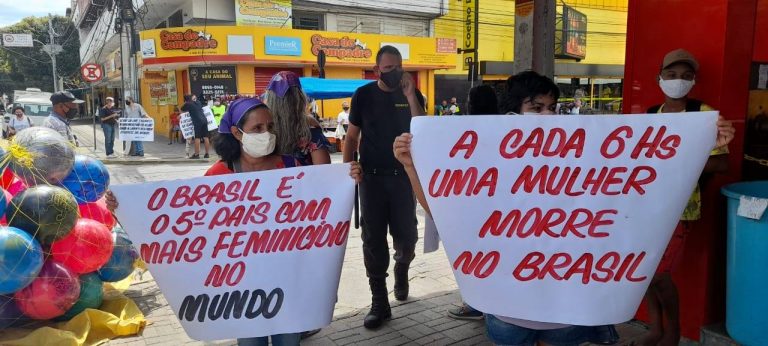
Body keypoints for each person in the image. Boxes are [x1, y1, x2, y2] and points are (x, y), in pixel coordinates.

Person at [106, 98, 362, 346]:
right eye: (257, 128)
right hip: (241, 287)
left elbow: (321, 208)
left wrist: (346, 176)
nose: (267, 133)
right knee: (251, 340)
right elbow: (190, 222)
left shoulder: (291, 167)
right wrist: (126, 208)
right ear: (237, 133)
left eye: (270, 127)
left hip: (286, 279)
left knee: (288, 338)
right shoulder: (219, 175)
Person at [396, 71, 619, 346]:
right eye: (536, 108)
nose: (547, 115)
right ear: (512, 116)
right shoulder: (486, 167)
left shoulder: (581, 161)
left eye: (552, 108)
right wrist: (410, 167)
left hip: (565, 313)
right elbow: (442, 213)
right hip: (509, 313)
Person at [639, 49, 736, 346]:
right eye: (671, 75)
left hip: (681, 208)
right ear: (660, 79)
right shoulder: (650, 115)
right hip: (644, 207)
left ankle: (674, 330)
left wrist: (682, 160)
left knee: (659, 275)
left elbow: (722, 163)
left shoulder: (704, 114)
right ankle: (655, 328)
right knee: (642, 273)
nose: (677, 81)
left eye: (685, 76)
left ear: (693, 81)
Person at [342, 45, 425, 329]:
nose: (393, 73)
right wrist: (347, 169)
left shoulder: (412, 93)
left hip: (403, 179)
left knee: (408, 237)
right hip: (372, 180)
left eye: (397, 66)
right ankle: (380, 302)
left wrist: (411, 96)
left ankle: (402, 268)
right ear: (377, 69)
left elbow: (422, 129)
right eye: (387, 68)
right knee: (373, 240)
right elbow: (351, 138)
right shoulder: (363, 96)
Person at [446, 84, 498, 321]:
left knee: (477, 258)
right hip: (500, 208)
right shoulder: (507, 128)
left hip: (474, 207)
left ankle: (478, 304)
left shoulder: (462, 129)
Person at [264, 71, 331, 166]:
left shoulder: (262, 129)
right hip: (305, 179)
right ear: (300, 98)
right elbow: (324, 170)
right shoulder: (310, 130)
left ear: (269, 99)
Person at [182, 94, 211, 159]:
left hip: (198, 121)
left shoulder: (188, 104)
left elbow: (182, 109)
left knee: (197, 138)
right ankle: (207, 154)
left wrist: (186, 103)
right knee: (206, 137)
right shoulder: (198, 102)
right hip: (204, 120)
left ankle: (196, 154)